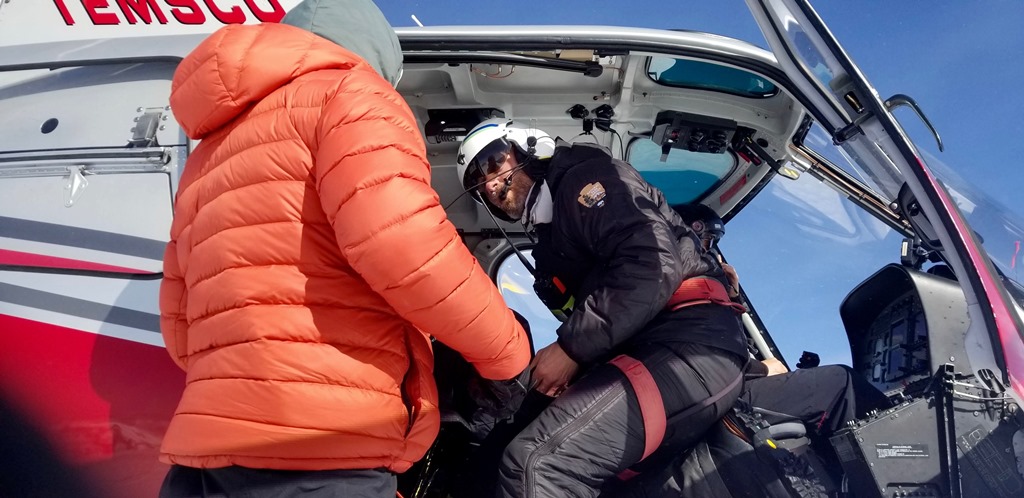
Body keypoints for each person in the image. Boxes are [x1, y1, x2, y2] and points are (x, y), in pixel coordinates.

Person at [157, 2, 532, 497]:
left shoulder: (210, 151)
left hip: (208, 456)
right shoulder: (351, 93)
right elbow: (407, 249)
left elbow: (179, 321)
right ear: (379, 58)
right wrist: (508, 355)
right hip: (323, 443)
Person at [455, 119, 751, 497]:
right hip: (644, 350)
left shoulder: (587, 179)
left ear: (526, 148)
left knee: (536, 464)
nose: (490, 185)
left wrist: (570, 349)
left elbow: (652, 265)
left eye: (493, 163)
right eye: (478, 185)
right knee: (493, 455)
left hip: (690, 344)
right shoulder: (550, 241)